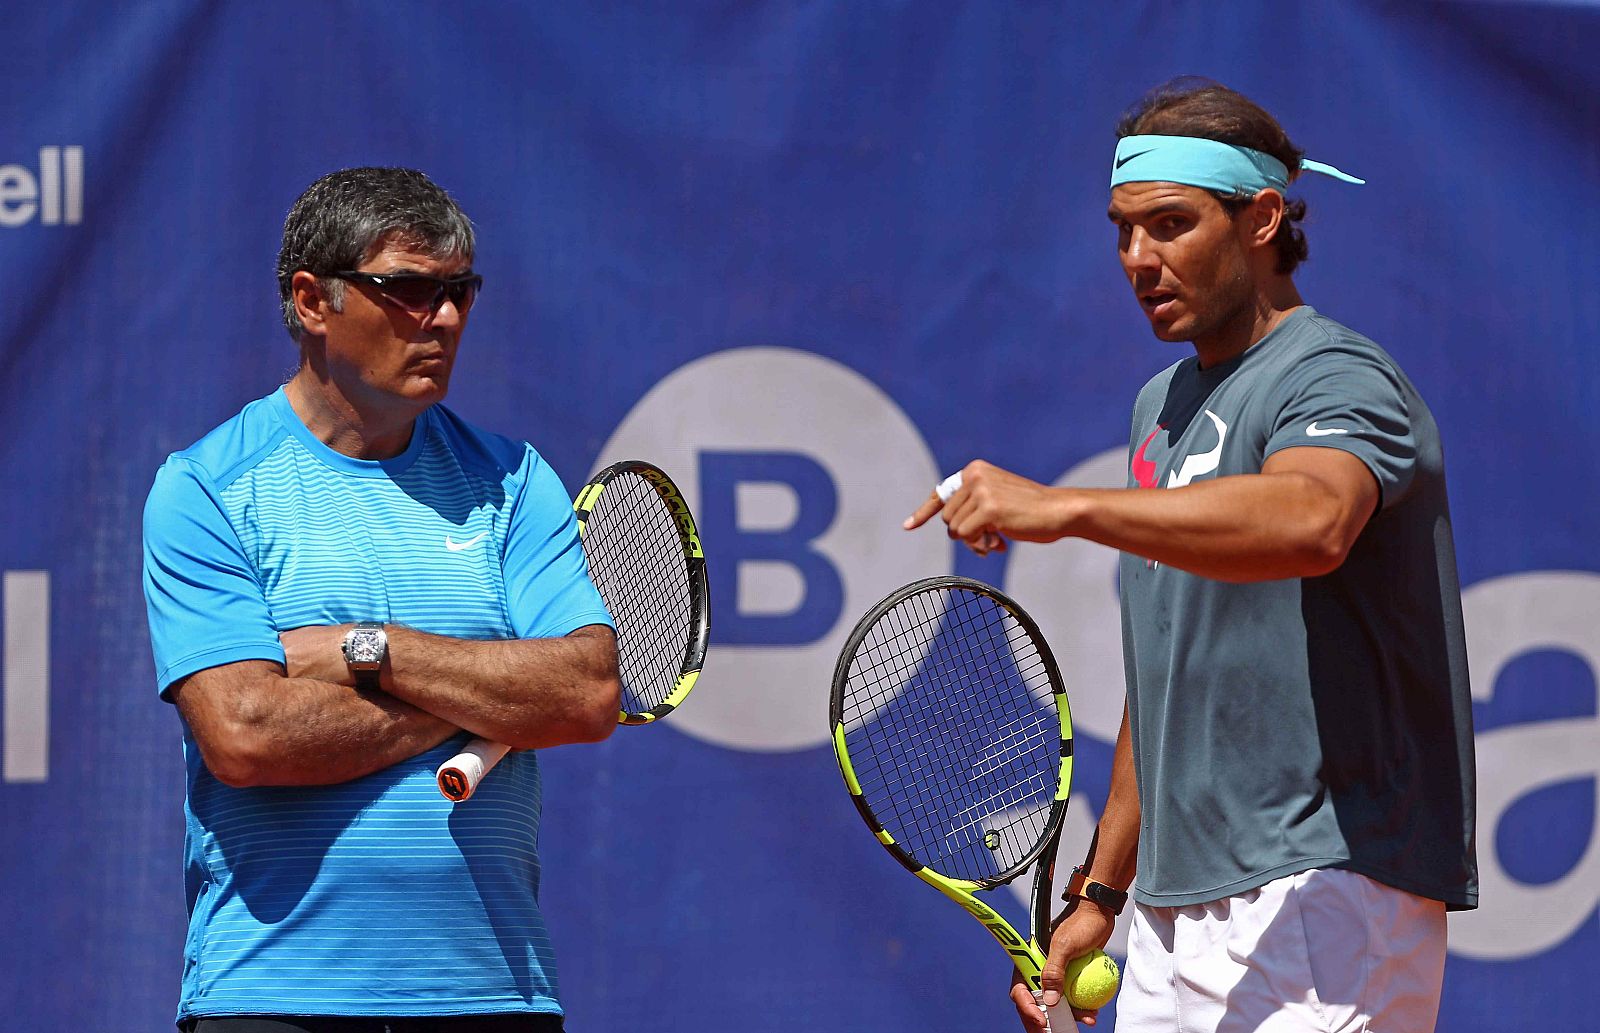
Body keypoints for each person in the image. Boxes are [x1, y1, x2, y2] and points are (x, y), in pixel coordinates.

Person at [905, 80, 1477, 1033]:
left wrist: (1068, 507)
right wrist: (1101, 890)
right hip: (1173, 912)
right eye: (1123, 230)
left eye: (1171, 224)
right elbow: (1167, 671)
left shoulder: (1336, 375)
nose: (1138, 259)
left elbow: (1313, 521)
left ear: (1260, 220)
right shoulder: (1160, 409)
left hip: (1329, 891)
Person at [142, 167, 620, 1032]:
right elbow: (247, 734)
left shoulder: (515, 482)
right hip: (274, 997)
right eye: (406, 289)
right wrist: (486, 696)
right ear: (312, 301)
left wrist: (374, 650)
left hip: (493, 998)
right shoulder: (205, 489)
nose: (442, 318)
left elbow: (585, 694)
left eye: (459, 291)